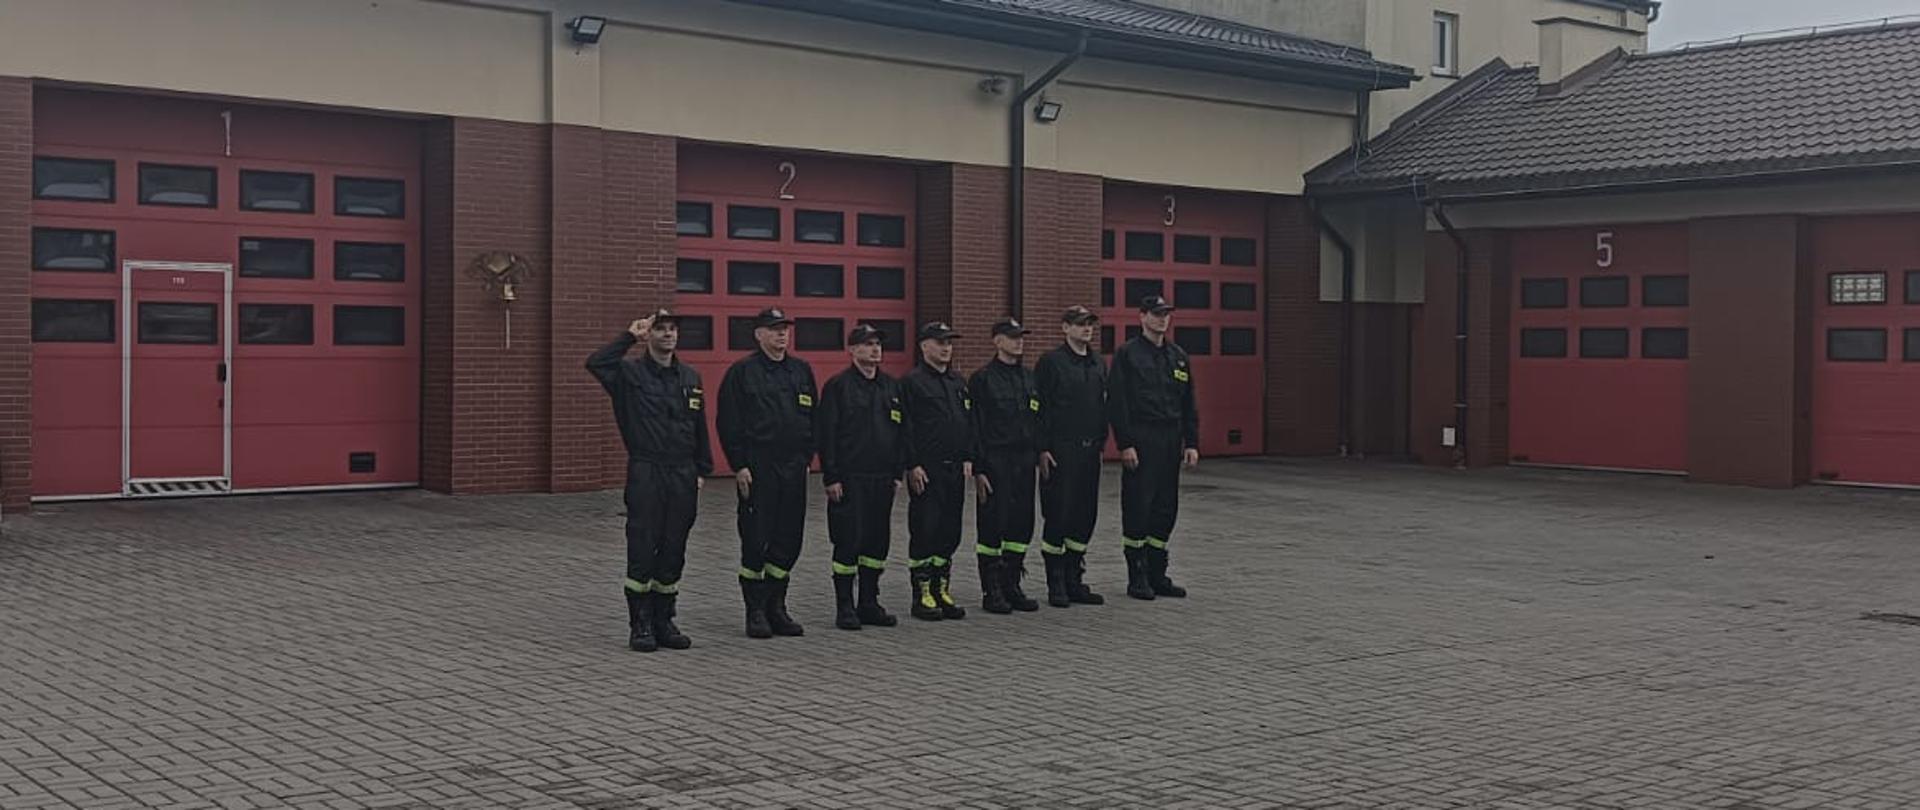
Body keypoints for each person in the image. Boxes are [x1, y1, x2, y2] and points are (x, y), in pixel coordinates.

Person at [585, 309, 712, 652]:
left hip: (683, 473)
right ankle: (639, 623)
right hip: (647, 470)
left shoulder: (690, 376)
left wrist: (702, 469)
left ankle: (664, 619)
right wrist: (629, 336)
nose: (668, 335)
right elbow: (596, 363)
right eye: (661, 329)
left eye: (673, 330)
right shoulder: (629, 374)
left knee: (674, 547)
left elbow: (698, 426)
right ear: (649, 335)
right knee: (643, 545)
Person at [717, 307, 818, 638]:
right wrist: (739, 464)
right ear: (758, 334)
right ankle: (755, 610)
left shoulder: (801, 371)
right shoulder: (742, 372)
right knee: (756, 538)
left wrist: (806, 457)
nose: (781, 335)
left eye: (784, 329)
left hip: (793, 467)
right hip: (758, 467)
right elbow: (729, 421)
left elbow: (812, 418)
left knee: (788, 539)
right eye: (774, 329)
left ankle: (777, 606)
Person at [815, 323, 906, 631]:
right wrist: (832, 477)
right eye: (867, 344)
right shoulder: (838, 387)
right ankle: (845, 606)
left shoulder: (891, 387)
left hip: (882, 479)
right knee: (848, 541)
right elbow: (826, 434)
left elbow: (900, 432)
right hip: (850, 478)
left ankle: (869, 602)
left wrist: (897, 472)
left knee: (877, 542)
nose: (875, 349)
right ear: (851, 350)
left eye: (878, 344)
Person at [1108, 295, 1198, 600]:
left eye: (1166, 314)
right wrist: (1126, 443)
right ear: (1142, 317)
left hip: (1170, 439)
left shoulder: (1178, 356)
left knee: (1165, 508)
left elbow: (1189, 403)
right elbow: (1118, 403)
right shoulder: (1128, 355)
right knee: (1138, 507)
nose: (1162, 320)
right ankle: (1137, 576)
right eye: (1157, 314)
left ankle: (1158, 573)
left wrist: (1192, 442)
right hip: (1142, 438)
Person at [899, 321, 973, 621]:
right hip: (927, 470)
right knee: (925, 529)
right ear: (924, 346)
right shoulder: (913, 382)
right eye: (940, 342)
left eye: (949, 343)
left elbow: (969, 423)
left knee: (949, 532)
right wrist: (911, 464)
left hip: (954, 469)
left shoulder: (957, 382)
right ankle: (922, 594)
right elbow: (906, 427)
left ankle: (942, 588)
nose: (946, 348)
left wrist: (969, 456)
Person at [1034, 305, 1108, 608]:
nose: (1086, 329)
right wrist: (1042, 448)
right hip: (1060, 452)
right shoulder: (1051, 363)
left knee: (1084, 516)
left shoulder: (1098, 363)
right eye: (1079, 324)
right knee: (1058, 515)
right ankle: (1056, 582)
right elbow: (1039, 408)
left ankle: (1074, 578)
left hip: (1090, 451)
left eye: (1089, 324)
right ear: (1065, 328)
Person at [968, 317, 1042, 614]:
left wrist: (1041, 452)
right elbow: (975, 427)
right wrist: (979, 469)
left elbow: (1039, 419)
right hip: (995, 461)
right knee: (992, 525)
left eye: (1021, 336)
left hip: (1024, 460)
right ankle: (992, 590)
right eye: (1012, 337)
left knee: (1021, 524)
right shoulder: (983, 379)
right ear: (997, 341)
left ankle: (1012, 584)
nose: (1018, 341)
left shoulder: (1029, 377)